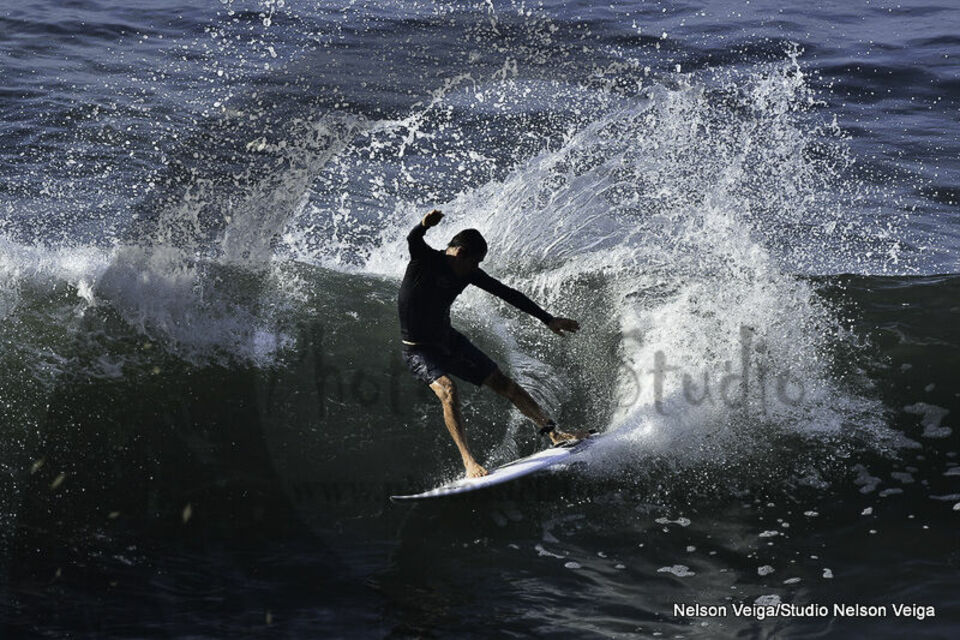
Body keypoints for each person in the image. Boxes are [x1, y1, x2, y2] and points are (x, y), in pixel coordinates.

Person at [398, 208, 586, 478]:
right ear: (460, 254)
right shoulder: (424, 260)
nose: (477, 268)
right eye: (475, 261)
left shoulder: (467, 273)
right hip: (418, 350)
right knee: (448, 390)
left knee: (505, 384)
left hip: (448, 340)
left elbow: (508, 294)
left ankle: (554, 433)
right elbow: (413, 240)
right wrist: (423, 225)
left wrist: (548, 319)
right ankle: (468, 462)